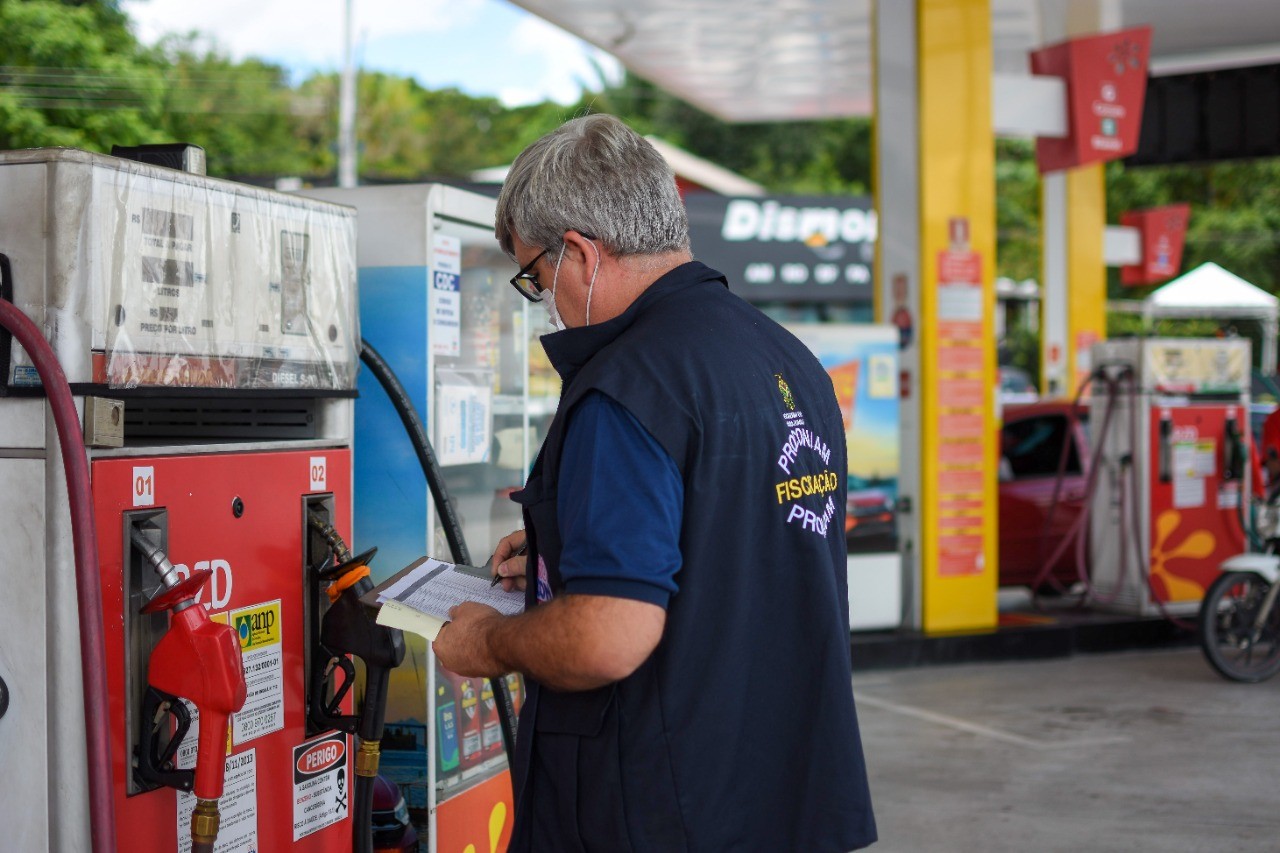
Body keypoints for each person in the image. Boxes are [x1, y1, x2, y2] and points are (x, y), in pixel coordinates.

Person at [431, 114, 876, 852]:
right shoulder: (789, 361)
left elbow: (611, 636)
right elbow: (732, 547)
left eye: (535, 276)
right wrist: (562, 546)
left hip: (663, 811)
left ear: (579, 252)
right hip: (787, 801)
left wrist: (491, 641)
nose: (544, 298)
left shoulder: (627, 386)